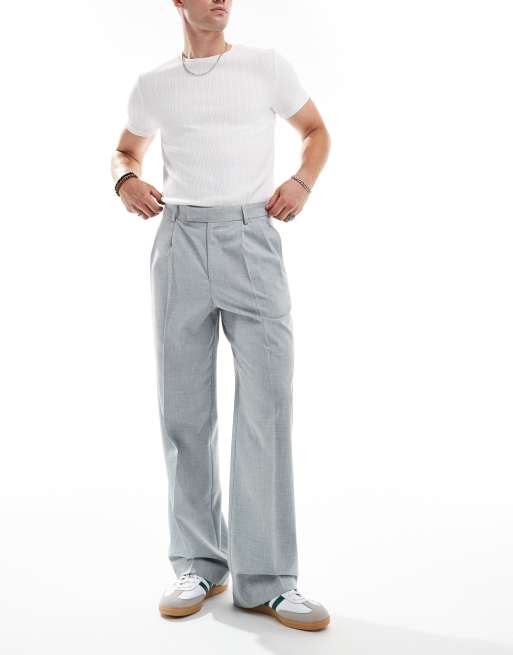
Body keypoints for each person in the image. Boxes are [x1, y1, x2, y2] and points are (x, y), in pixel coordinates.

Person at [110, 0, 331, 632]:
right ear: (177, 2)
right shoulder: (154, 83)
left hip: (251, 236)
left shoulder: (265, 66)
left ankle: (269, 580)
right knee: (184, 410)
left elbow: (316, 131)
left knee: (268, 405)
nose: (221, 0)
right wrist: (125, 180)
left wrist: (302, 182)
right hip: (179, 240)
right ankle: (199, 562)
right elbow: (126, 149)